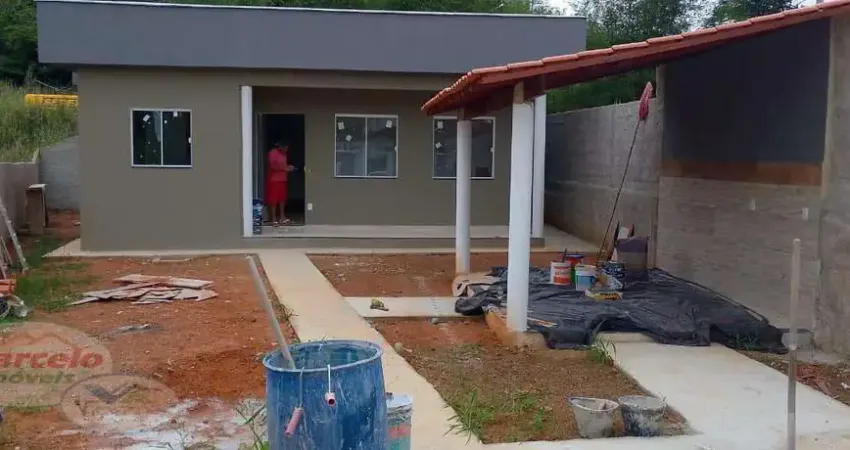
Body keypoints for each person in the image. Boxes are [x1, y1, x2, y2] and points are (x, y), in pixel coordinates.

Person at [265, 142, 295, 226]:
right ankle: (273, 219)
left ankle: (282, 217)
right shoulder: (273, 153)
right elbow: (273, 166)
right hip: (274, 180)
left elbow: (283, 165)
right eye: (286, 147)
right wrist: (285, 168)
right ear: (281, 146)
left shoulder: (284, 154)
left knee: (283, 199)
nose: (287, 149)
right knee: (273, 200)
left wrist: (289, 167)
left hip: (283, 179)